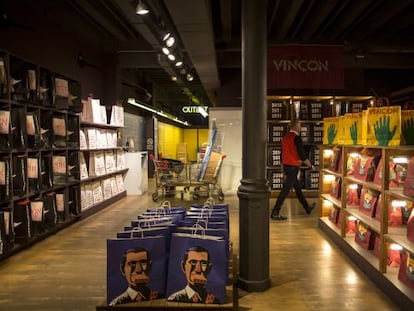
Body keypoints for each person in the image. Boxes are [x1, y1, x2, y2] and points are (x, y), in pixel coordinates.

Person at [270, 119, 316, 220]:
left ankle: (307, 207)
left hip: (286, 166)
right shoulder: (297, 138)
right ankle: (275, 212)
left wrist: (282, 167)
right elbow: (302, 154)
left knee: (297, 189)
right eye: (299, 125)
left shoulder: (285, 137)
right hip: (293, 167)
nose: (300, 128)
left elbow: (282, 154)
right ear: (295, 126)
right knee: (285, 190)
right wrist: (310, 166)